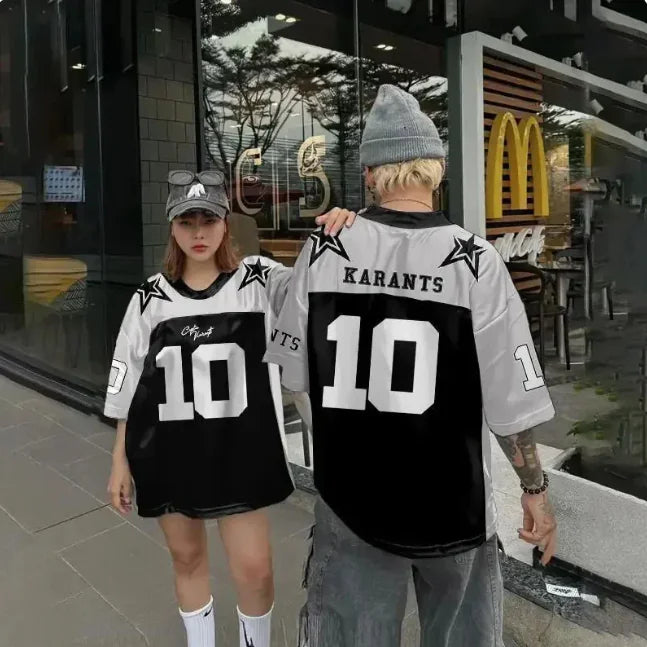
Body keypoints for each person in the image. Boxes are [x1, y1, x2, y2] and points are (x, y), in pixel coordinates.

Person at [264, 85, 558, 647]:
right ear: (437, 171)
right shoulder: (477, 262)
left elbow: (294, 376)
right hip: (454, 509)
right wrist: (535, 491)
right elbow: (511, 412)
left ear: (370, 175)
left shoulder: (324, 250)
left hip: (352, 502)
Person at [104, 168, 355, 647]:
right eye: (186, 222)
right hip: (169, 451)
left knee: (255, 570)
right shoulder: (149, 298)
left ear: (225, 224)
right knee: (187, 559)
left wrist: (341, 234)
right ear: (172, 227)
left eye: (208, 220)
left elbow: (313, 285)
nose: (198, 233)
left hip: (242, 452)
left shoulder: (258, 279)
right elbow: (127, 382)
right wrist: (120, 459)